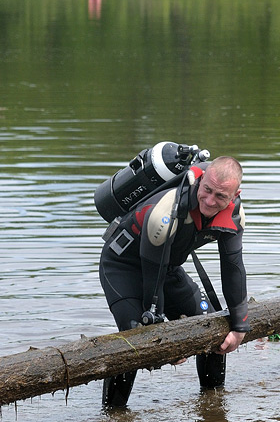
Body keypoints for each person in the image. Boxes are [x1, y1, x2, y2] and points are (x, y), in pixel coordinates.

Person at [98, 155, 250, 407]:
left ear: (235, 195)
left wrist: (239, 326)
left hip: (166, 268)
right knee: (135, 341)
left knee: (214, 329)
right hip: (122, 268)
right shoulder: (165, 211)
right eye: (207, 190)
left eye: (220, 196)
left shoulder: (235, 215)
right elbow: (151, 280)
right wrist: (161, 338)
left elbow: (233, 269)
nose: (210, 200)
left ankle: (212, 410)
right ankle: (113, 419)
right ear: (199, 181)